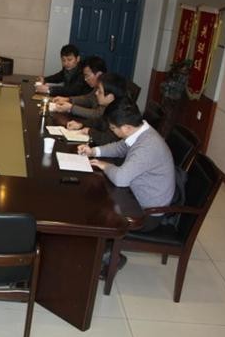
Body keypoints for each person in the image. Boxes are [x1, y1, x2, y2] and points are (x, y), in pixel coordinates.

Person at [78, 98, 175, 232]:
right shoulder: (140, 130)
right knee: (97, 194)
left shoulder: (148, 146)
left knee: (98, 209)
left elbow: (121, 179)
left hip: (146, 213)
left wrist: (104, 165)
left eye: (113, 128)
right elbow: (120, 147)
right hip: (134, 194)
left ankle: (101, 243)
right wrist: (94, 151)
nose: (111, 131)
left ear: (126, 128)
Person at [63, 72, 128, 146]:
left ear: (110, 96)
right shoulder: (112, 106)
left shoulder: (121, 112)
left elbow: (107, 140)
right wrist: (81, 124)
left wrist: (89, 131)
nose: (96, 93)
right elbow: (99, 121)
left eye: (99, 91)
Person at [51, 55, 108, 120]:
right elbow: (88, 99)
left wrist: (71, 108)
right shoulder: (98, 86)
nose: (85, 79)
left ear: (99, 74)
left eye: (87, 76)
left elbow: (98, 114)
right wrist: (68, 99)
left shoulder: (108, 88)